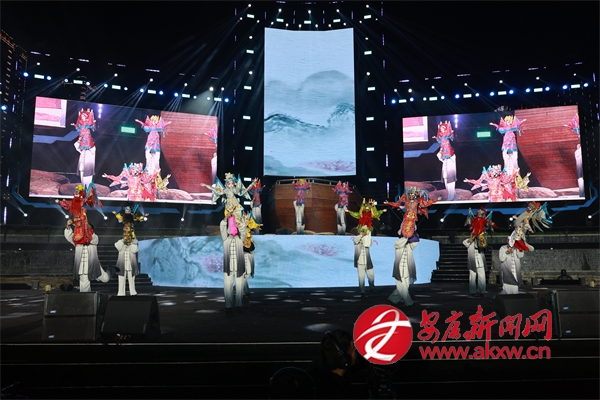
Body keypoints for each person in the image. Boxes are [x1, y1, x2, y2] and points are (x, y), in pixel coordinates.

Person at [64, 221, 114, 293]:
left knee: (105, 279)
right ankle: (85, 298)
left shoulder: (94, 238)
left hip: (94, 266)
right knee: (84, 284)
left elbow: (93, 239)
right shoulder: (77, 240)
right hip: (83, 267)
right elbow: (69, 237)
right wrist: (68, 226)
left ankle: (111, 269)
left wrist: (86, 228)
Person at [308, 329, 361, 399]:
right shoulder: (333, 391)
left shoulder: (314, 377)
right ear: (343, 359)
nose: (356, 353)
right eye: (353, 349)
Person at [220, 205, 247, 311]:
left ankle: (239, 305)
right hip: (228, 267)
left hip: (239, 266)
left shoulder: (240, 239)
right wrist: (226, 218)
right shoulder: (225, 238)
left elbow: (243, 229)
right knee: (227, 287)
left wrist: (239, 221)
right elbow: (222, 227)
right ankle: (228, 306)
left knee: (239, 287)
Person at [387, 235, 418, 307]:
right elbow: (400, 243)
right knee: (403, 288)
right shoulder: (397, 243)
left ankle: (392, 299)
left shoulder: (409, 245)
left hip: (407, 269)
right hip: (399, 269)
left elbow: (416, 241)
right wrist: (407, 236)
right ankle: (409, 303)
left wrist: (413, 232)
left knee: (404, 287)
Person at [71, 108, 97, 186]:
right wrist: (79, 140)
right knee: (82, 181)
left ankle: (87, 189)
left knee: (87, 182)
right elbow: (76, 145)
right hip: (82, 168)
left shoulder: (92, 149)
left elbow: (92, 148)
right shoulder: (82, 149)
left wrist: (92, 119)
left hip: (88, 169)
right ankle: (84, 190)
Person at [433, 121, 457, 201]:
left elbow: (450, 136)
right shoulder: (443, 155)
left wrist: (449, 129)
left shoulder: (452, 156)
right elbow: (439, 155)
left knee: (451, 186)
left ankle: (451, 198)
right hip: (446, 174)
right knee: (447, 186)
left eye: (443, 128)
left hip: (451, 174)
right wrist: (441, 149)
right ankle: (453, 198)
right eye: (441, 128)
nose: (442, 129)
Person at [352, 225, 376, 296]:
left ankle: (372, 287)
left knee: (371, 275)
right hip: (360, 261)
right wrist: (362, 235)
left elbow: (370, 243)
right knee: (361, 277)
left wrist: (368, 235)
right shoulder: (357, 238)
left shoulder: (367, 239)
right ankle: (362, 291)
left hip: (367, 260)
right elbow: (355, 240)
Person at [115, 231, 139, 296]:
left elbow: (134, 250)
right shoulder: (120, 242)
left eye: (129, 236)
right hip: (121, 265)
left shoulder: (133, 243)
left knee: (132, 281)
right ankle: (121, 293)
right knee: (121, 280)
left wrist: (132, 242)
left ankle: (133, 293)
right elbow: (117, 246)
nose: (127, 237)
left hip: (131, 265)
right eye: (126, 235)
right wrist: (123, 240)